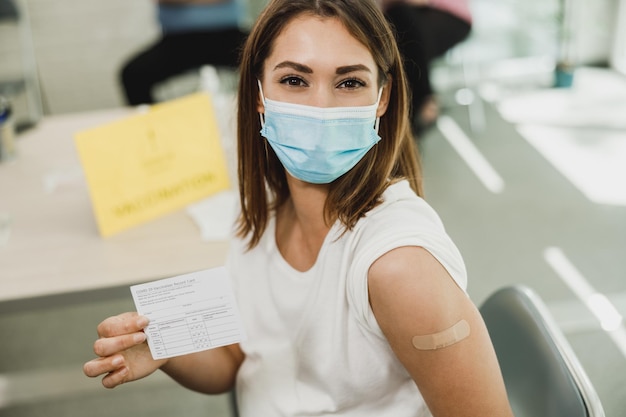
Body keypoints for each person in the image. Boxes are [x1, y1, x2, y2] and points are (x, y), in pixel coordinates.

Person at [84, 1, 513, 416]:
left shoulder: (400, 268)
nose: (320, 108)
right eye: (294, 80)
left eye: (349, 83)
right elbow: (240, 357)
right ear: (257, 93)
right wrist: (166, 347)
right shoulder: (262, 211)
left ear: (381, 100)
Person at [120, 0, 249, 105]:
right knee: (133, 75)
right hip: (178, 42)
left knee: (264, 58)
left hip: (227, 35)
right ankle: (152, 129)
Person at [379, 0, 472, 135]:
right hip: (401, 17)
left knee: (403, 28)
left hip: (449, 14)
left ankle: (421, 102)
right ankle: (419, 106)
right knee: (395, 31)